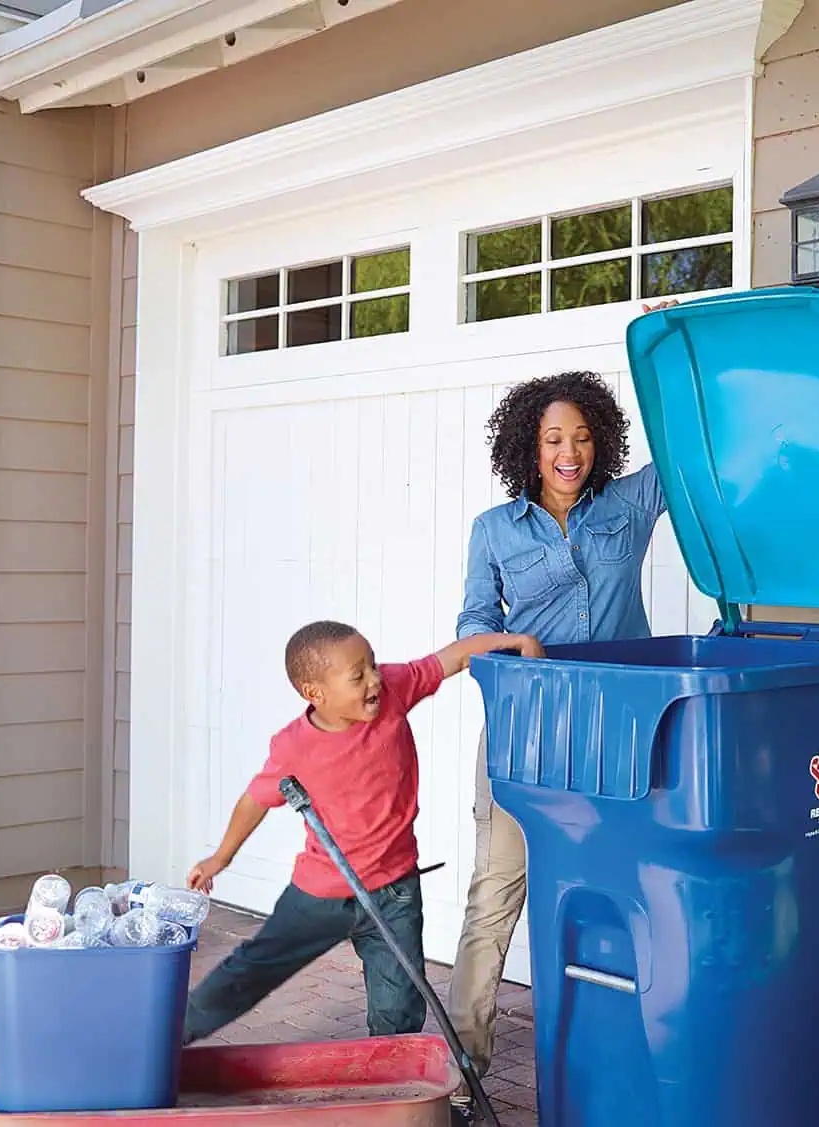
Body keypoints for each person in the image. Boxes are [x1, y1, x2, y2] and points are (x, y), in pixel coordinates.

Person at [447, 369, 670, 1105]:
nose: (568, 451)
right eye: (552, 439)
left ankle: (619, 1051)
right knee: (498, 888)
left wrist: (664, 362)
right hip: (526, 729)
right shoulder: (494, 529)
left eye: (580, 436)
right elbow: (470, 629)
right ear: (529, 448)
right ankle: (462, 1069)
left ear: (599, 442)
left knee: (620, 891)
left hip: (615, 735)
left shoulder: (630, 508)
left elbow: (679, 452)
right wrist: (519, 642)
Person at [181, 619, 543, 1047]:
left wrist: (517, 641)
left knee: (399, 1006)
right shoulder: (293, 746)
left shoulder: (393, 689)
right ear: (314, 693)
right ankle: (166, 1041)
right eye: (358, 675)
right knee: (250, 970)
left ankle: (393, 1092)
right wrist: (220, 857)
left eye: (371, 665)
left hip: (394, 894)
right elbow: (256, 799)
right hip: (320, 895)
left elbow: (455, 656)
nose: (374, 678)